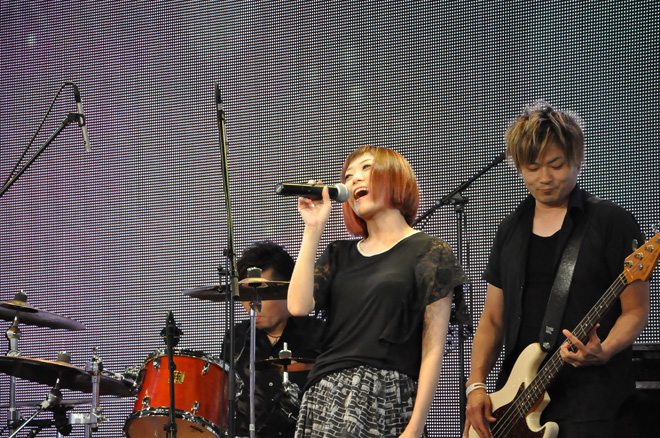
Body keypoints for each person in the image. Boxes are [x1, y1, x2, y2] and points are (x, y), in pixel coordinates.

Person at [464, 101, 650, 438]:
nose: (545, 178)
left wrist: (605, 349)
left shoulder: (611, 221)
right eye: (532, 167)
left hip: (592, 404)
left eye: (556, 165)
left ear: (577, 159)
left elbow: (635, 310)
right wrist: (476, 385)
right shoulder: (509, 230)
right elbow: (492, 320)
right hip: (515, 407)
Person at [287, 146, 466, 438]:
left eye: (366, 168)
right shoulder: (339, 254)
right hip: (326, 394)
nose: (354, 179)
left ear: (395, 176)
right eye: (348, 176)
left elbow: (432, 348)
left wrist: (415, 426)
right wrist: (313, 227)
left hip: (387, 393)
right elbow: (297, 305)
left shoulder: (429, 251)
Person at [223, 241, 324, 438]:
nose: (252, 304)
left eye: (262, 293)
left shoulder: (319, 335)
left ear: (288, 289)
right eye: (246, 293)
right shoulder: (235, 339)